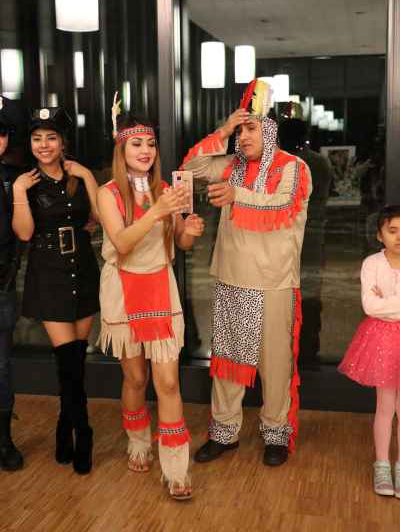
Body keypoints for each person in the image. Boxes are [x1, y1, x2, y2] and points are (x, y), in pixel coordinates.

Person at [181, 79, 312, 466]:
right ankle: (224, 432)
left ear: (270, 130)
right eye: (240, 130)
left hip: (273, 282)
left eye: (251, 128)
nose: (244, 137)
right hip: (232, 278)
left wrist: (237, 195)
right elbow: (191, 167)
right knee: (228, 362)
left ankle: (275, 434)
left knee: (275, 365)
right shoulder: (232, 165)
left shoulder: (293, 168)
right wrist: (223, 130)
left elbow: (282, 206)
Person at [97, 105, 204, 500]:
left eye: (151, 144)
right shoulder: (107, 193)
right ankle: (138, 441)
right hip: (122, 290)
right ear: (121, 149)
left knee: (169, 381)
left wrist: (189, 229)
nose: (145, 151)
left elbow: (181, 243)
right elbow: (122, 243)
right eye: (137, 144)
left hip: (160, 286)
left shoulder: (166, 190)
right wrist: (156, 211)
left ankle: (176, 468)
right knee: (136, 379)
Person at [12, 107, 100, 475]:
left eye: (51, 138)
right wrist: (19, 191)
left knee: (75, 362)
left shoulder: (78, 175)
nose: (44, 145)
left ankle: (65, 427)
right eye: (37, 139)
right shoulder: (25, 182)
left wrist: (89, 177)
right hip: (48, 274)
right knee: (67, 360)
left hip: (83, 268)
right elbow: (24, 232)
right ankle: (84, 432)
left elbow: (98, 219)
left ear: (63, 142)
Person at [339, 205, 400, 497]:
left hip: (386, 331)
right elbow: (370, 306)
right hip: (383, 341)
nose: (399, 237)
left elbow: (380, 306)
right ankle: (382, 464)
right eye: (392, 231)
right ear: (379, 235)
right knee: (385, 406)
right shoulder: (372, 264)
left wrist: (386, 302)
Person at [278, 117, 332, 365]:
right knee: (309, 294)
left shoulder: (280, 164)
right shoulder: (320, 162)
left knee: (280, 296)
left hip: (283, 236)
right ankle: (308, 351)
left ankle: (282, 354)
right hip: (313, 235)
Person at [0, 96, 26, 471]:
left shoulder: (14, 179)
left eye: (3, 132)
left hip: (1, 284)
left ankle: (3, 440)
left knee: (1, 367)